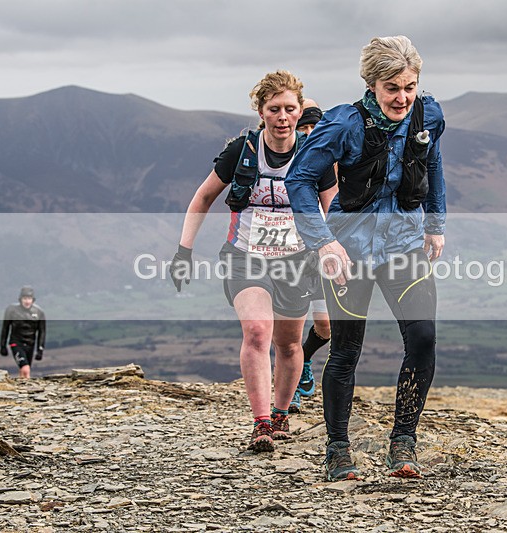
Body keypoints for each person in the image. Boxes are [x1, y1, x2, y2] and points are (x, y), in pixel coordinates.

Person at [286, 35, 446, 481]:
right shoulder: (343, 124)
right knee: (346, 350)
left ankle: (404, 443)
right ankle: (338, 448)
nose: (403, 97)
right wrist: (322, 242)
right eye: (392, 87)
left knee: (423, 339)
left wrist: (435, 224)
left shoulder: (429, 114)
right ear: (371, 84)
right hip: (348, 250)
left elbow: (433, 164)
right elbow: (299, 179)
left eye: (409, 86)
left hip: (405, 245)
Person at [169, 71, 337, 453]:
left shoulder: (316, 156)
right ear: (260, 111)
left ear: (300, 111)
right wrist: (184, 251)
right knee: (258, 332)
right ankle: (261, 422)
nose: (282, 116)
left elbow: (334, 210)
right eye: (274, 108)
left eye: (289, 109)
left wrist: (337, 256)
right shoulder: (241, 151)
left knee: (290, 346)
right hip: (245, 257)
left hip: (297, 261)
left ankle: (280, 414)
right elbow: (202, 198)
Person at [289, 99, 333, 414]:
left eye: (312, 126)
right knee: (287, 326)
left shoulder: (328, 159)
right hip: (283, 252)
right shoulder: (281, 158)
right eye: (301, 127)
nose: (307, 133)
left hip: (318, 250)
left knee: (327, 326)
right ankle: (286, 389)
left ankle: (303, 359)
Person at [0, 286, 46, 379]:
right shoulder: (12, 311)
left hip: (30, 344)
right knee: (25, 368)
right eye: (25, 298)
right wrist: (3, 346)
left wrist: (40, 349)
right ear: (20, 299)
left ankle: (21, 390)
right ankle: (28, 388)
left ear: (33, 300)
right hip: (16, 343)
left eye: (29, 298)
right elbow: (5, 328)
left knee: (23, 369)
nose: (27, 301)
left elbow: (42, 332)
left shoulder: (39, 312)